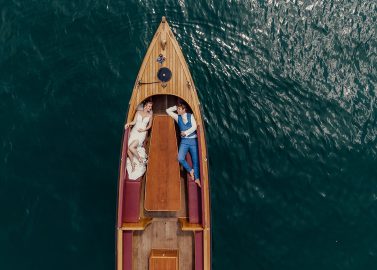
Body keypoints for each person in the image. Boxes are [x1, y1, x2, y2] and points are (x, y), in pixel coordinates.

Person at [166, 103, 201, 188]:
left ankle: (197, 178)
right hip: (184, 142)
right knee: (180, 158)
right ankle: (190, 170)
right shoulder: (178, 117)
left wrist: (185, 133)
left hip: (193, 141)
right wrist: (176, 106)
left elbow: (194, 127)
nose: (177, 110)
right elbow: (167, 111)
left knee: (195, 161)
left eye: (179, 109)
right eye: (177, 109)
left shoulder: (190, 116)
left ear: (184, 110)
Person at [125, 100, 153, 171]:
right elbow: (134, 122)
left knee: (131, 147)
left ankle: (141, 159)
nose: (150, 108)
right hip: (134, 132)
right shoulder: (138, 112)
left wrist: (143, 130)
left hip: (141, 133)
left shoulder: (150, 115)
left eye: (151, 107)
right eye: (149, 106)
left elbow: (149, 126)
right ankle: (132, 163)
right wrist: (128, 124)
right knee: (128, 150)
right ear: (145, 106)